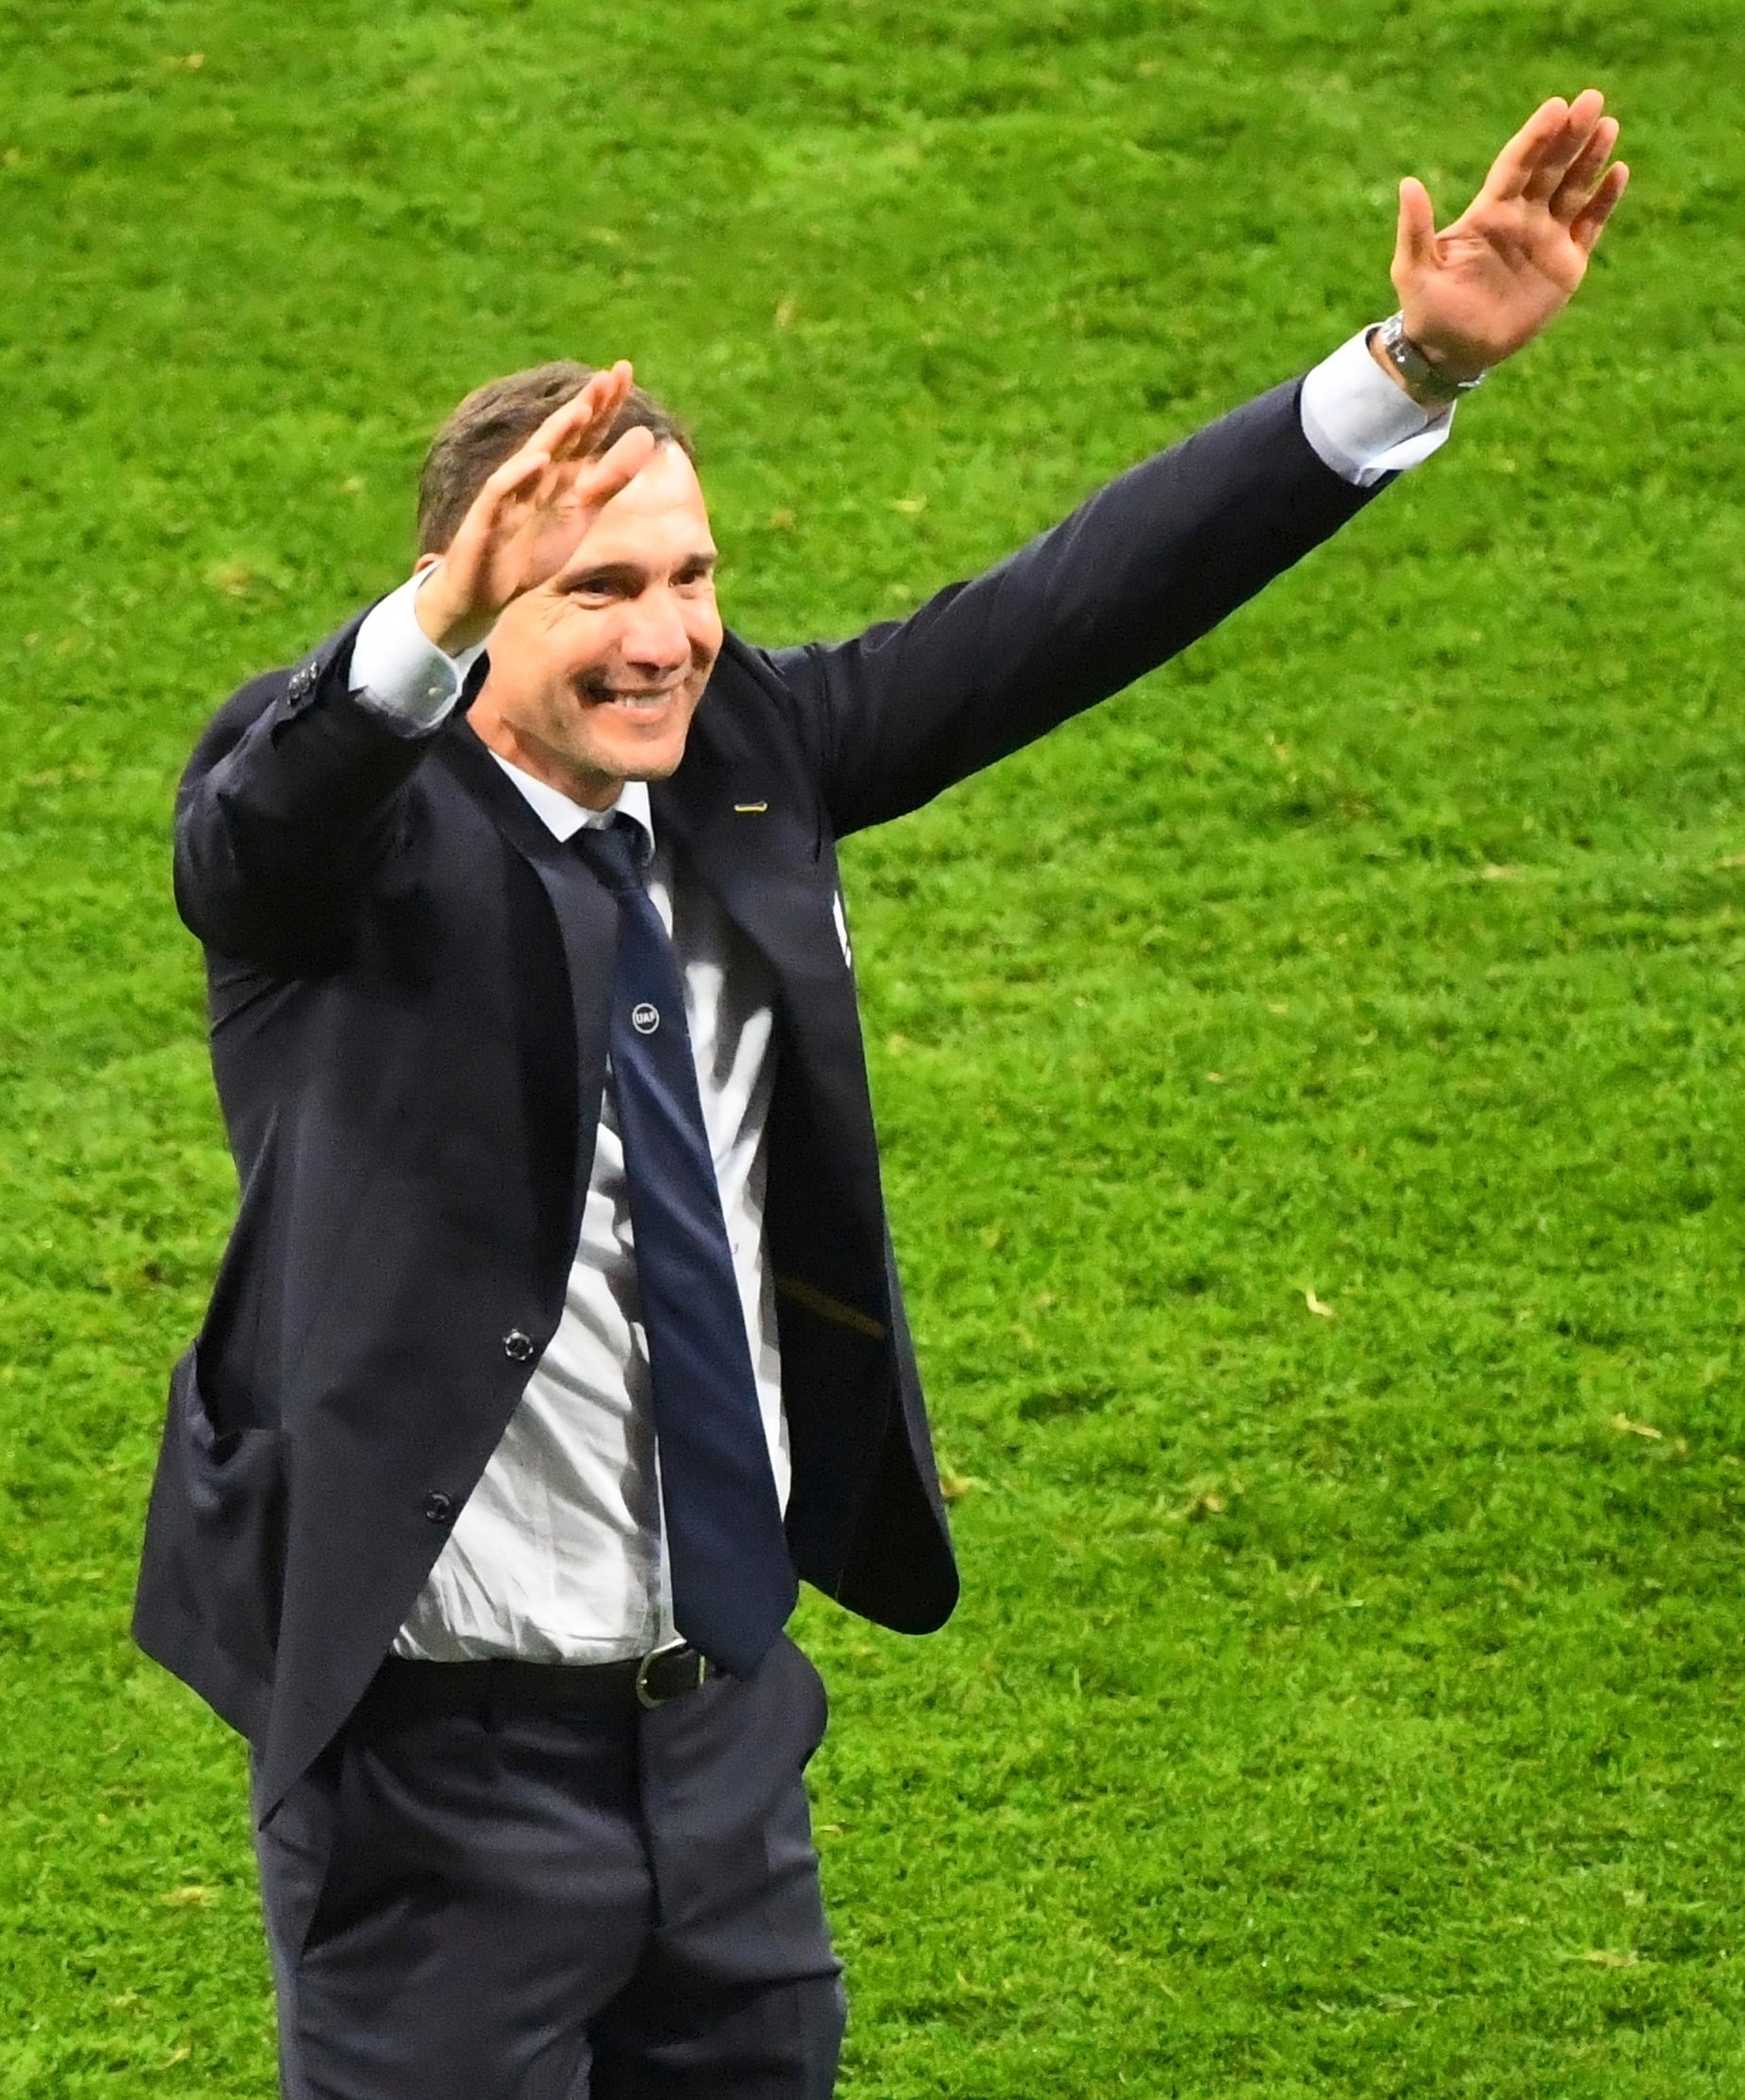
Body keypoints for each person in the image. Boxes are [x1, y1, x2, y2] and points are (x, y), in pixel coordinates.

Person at [135, 91, 1626, 2100]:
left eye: (690, 575)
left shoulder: (752, 754)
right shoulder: (346, 827)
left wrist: (1408, 370)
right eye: (595, 588)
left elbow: (1067, 606)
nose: (664, 637)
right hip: (433, 1780)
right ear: (474, 605)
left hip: (721, 1749)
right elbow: (253, 837)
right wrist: (421, 632)